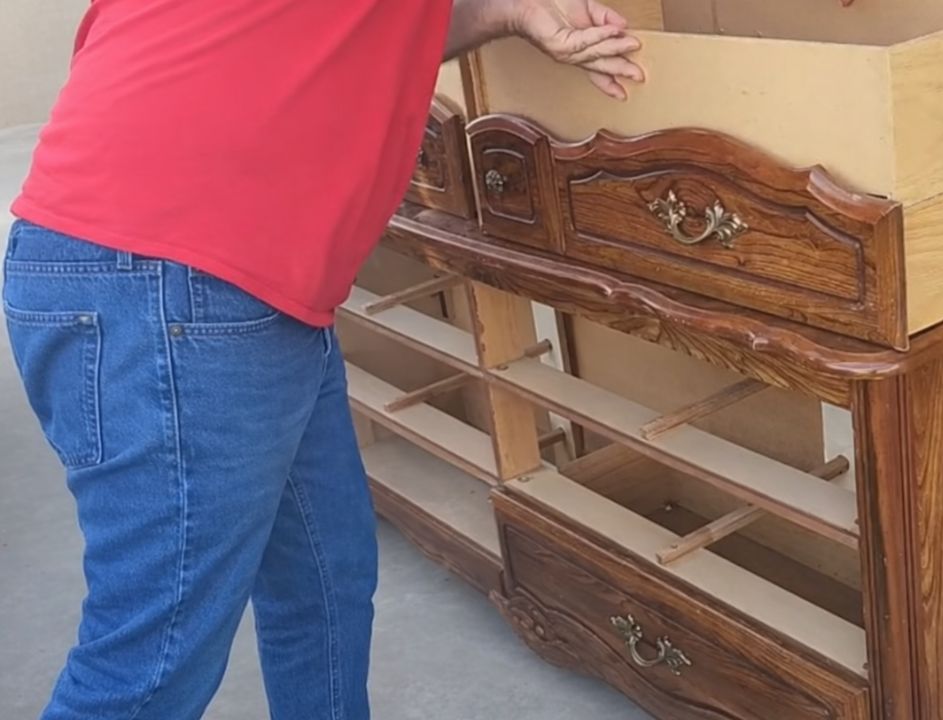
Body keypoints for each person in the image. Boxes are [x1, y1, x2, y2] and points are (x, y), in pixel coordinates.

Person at [2, 0, 643, 718]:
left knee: (324, 579)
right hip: (171, 274)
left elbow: (359, 36)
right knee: (151, 662)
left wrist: (502, 14)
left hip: (220, 285)